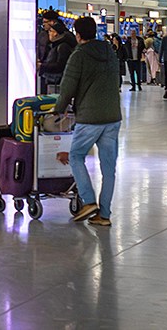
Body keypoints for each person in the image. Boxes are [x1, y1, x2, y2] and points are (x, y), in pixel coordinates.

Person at [53, 16, 122, 227]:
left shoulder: (79, 55)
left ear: (78, 34)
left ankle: (89, 201)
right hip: (113, 117)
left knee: (75, 156)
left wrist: (58, 110)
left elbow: (68, 86)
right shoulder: (109, 52)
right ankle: (104, 215)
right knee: (109, 169)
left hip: (90, 118)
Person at [39, 20, 76, 91]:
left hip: (56, 82)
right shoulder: (55, 45)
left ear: (56, 33)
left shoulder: (62, 47)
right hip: (53, 81)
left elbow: (60, 65)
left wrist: (42, 66)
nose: (48, 33)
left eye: (50, 31)